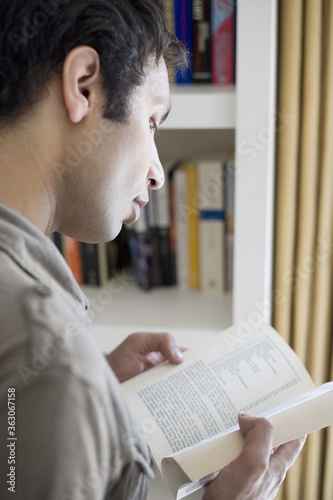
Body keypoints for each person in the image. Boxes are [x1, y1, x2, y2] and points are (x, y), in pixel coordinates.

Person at [0, 1, 305, 499]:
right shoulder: (41, 347)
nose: (158, 173)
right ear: (84, 85)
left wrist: (93, 389)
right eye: (153, 122)